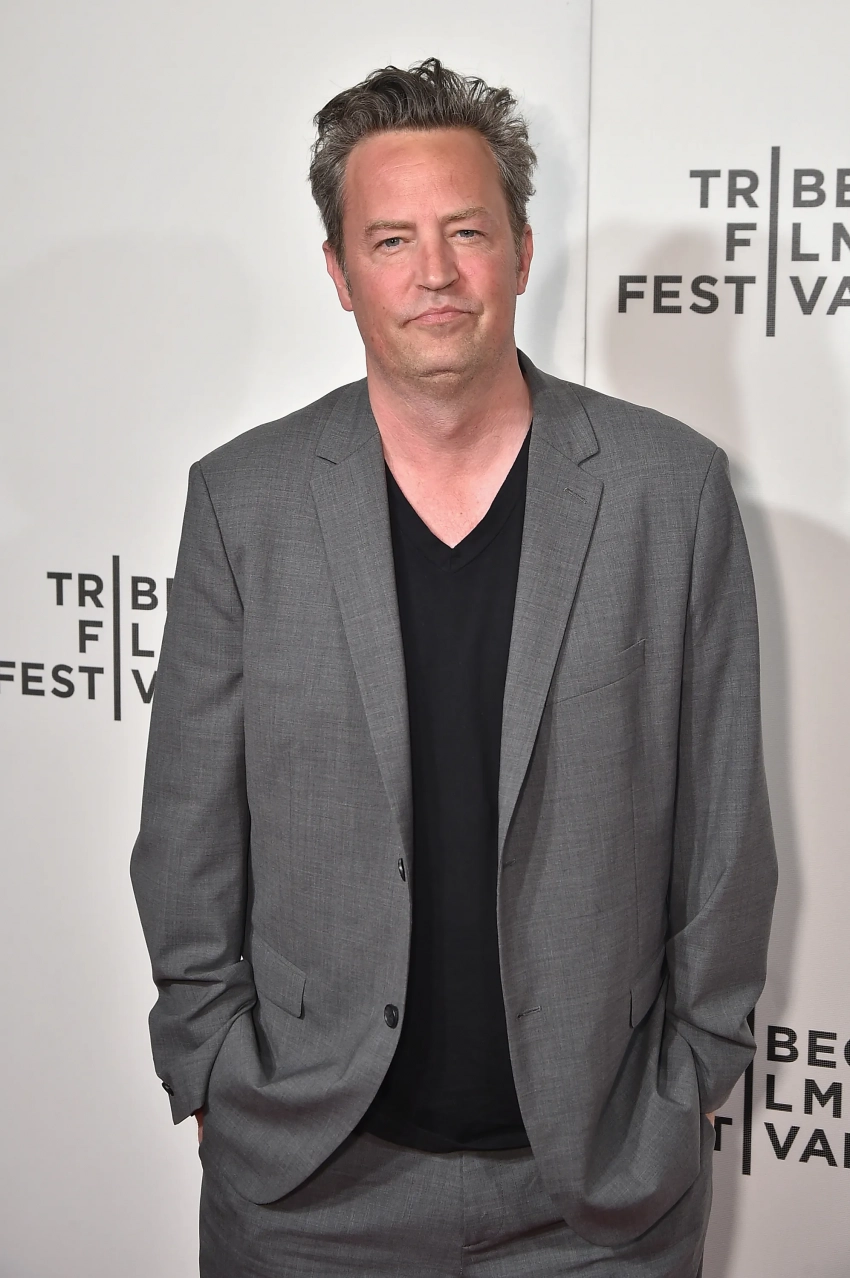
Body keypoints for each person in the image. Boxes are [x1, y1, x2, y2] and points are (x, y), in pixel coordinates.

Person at [131, 58, 777, 1277]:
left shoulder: (669, 491)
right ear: (339, 274)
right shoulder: (243, 502)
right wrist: (209, 1061)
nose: (434, 272)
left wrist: (691, 1075)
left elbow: (724, 830)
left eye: (466, 232)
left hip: (596, 1194)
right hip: (308, 1186)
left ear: (521, 252)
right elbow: (187, 831)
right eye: (391, 240)